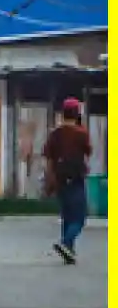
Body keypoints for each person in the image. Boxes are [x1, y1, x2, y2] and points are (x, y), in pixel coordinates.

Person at [43, 97, 92, 264]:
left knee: (67, 215)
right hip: (76, 177)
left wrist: (50, 178)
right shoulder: (81, 133)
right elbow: (88, 151)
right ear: (77, 114)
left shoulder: (55, 133)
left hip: (59, 178)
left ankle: (68, 252)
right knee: (79, 218)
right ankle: (65, 242)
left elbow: (49, 157)